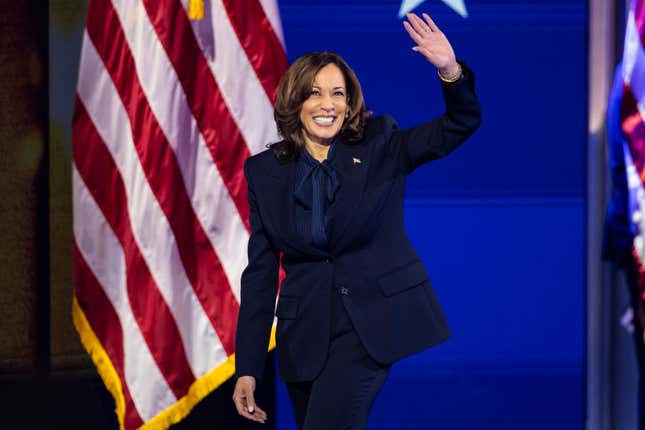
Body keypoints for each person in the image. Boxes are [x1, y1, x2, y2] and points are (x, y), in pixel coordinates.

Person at [232, 12, 481, 430]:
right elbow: (259, 274)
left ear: (349, 103)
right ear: (295, 102)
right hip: (303, 337)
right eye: (314, 93)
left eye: (337, 93)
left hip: (368, 329)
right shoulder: (264, 172)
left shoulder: (382, 143)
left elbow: (459, 124)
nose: (327, 104)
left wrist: (449, 71)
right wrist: (248, 367)